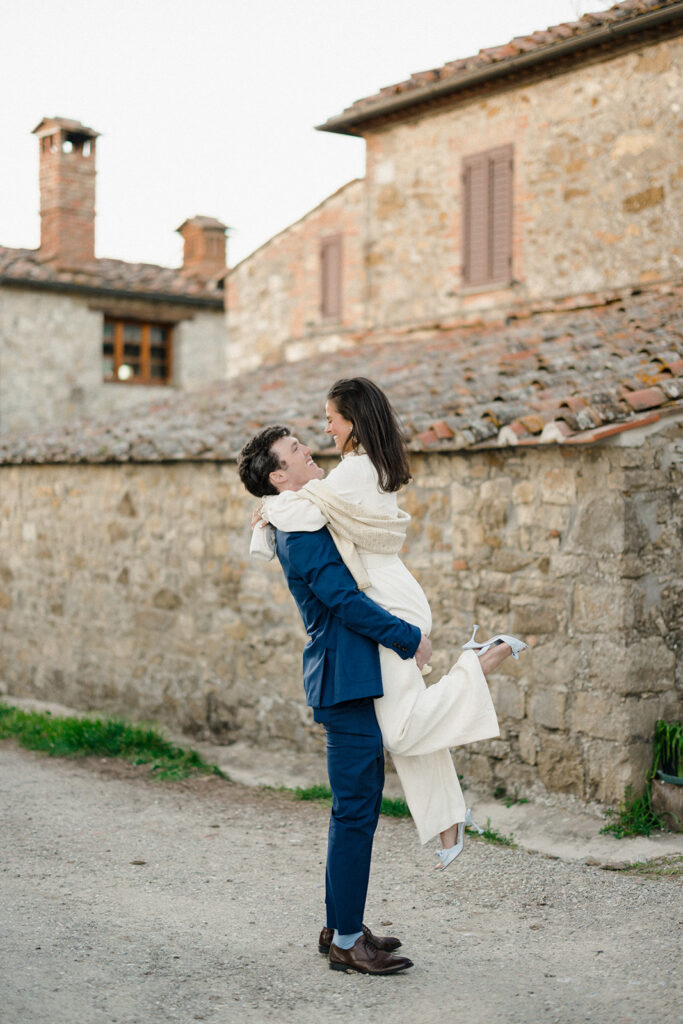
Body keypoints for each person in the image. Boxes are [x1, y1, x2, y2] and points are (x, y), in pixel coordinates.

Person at [251, 378, 527, 869]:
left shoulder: (351, 474)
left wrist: (266, 509)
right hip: (395, 593)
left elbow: (296, 506)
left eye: (331, 418)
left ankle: (480, 663)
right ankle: (449, 826)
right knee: (410, 717)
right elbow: (305, 502)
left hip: (387, 605)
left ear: (353, 420)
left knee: (401, 731)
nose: (325, 429)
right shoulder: (362, 469)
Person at [237, 425, 428, 975]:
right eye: (295, 449)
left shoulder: (298, 516)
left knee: (354, 812)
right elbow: (344, 600)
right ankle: (347, 941)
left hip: (349, 679)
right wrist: (409, 638)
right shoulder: (298, 529)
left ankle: (338, 924)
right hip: (345, 683)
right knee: (355, 812)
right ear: (279, 476)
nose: (307, 449)